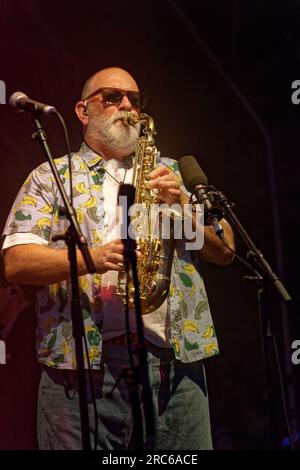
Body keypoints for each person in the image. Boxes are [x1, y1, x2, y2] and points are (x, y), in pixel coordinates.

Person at [2, 66, 235, 450]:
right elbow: (16, 262)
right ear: (82, 111)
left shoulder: (170, 174)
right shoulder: (51, 176)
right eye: (112, 97)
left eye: (135, 100)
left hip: (173, 365)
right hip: (82, 370)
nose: (127, 106)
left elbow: (224, 250)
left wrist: (182, 206)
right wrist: (90, 259)